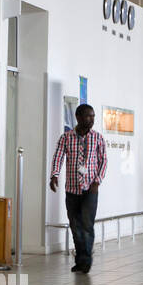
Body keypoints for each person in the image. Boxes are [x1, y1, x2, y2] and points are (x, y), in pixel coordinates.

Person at [49, 103, 107, 274]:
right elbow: (58, 156)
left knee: (87, 226)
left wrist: (97, 181)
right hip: (72, 189)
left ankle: (86, 261)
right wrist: (54, 175)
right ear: (78, 117)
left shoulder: (98, 138)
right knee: (75, 226)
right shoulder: (66, 137)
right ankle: (80, 259)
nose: (92, 119)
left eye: (93, 116)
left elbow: (103, 161)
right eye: (89, 116)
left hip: (91, 189)